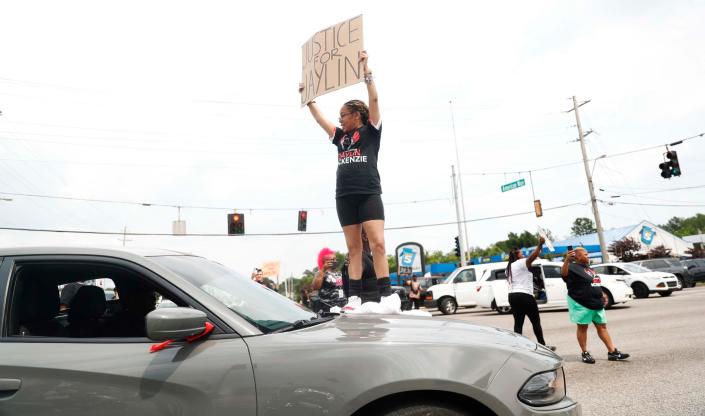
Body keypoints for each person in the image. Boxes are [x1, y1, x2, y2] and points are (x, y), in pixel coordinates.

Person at [300, 50, 392, 310]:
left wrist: (367, 71)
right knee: (353, 249)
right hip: (344, 196)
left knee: (377, 243)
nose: (339, 118)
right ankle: (353, 297)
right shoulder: (340, 137)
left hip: (369, 193)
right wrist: (309, 99)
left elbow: (374, 98)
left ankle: (386, 294)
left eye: (343, 114)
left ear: (357, 115)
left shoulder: (371, 131)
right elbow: (320, 119)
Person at [562, 247, 630, 364]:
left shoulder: (589, 269)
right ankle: (585, 353)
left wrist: (602, 293)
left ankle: (612, 352)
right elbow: (564, 276)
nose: (588, 256)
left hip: (596, 302)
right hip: (581, 303)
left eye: (587, 254)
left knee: (602, 327)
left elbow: (595, 283)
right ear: (577, 256)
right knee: (583, 327)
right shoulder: (572, 268)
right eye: (585, 254)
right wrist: (567, 261)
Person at [506, 237, 555, 350]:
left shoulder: (508, 267)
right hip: (525, 296)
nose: (523, 255)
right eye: (521, 254)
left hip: (512, 296)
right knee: (535, 322)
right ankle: (543, 346)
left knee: (518, 323)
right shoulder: (520, 263)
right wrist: (540, 245)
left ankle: (518, 347)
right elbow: (532, 257)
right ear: (517, 256)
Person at [341, 229, 379, 303]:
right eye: (375, 234)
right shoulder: (358, 257)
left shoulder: (369, 257)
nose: (378, 237)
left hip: (374, 307)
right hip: (366, 309)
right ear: (365, 237)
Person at [312, 248, 346, 313]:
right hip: (329, 308)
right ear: (325, 261)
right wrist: (323, 269)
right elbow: (315, 287)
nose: (335, 261)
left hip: (342, 307)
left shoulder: (338, 273)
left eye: (336, 259)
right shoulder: (321, 273)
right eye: (333, 260)